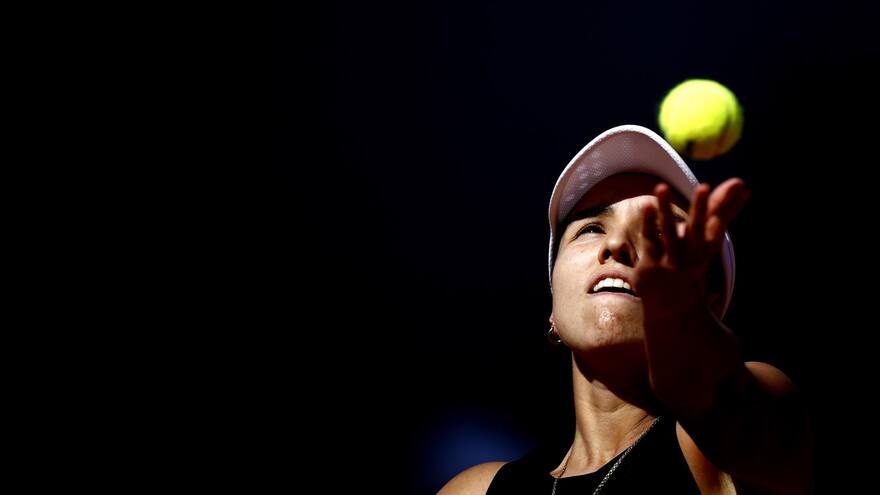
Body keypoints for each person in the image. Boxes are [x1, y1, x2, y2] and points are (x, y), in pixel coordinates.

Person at [438, 125, 814, 494]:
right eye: (591, 228)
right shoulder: (477, 489)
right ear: (553, 310)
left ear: (709, 302)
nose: (618, 242)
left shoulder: (711, 451)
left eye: (661, 232)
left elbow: (726, 404)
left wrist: (680, 318)